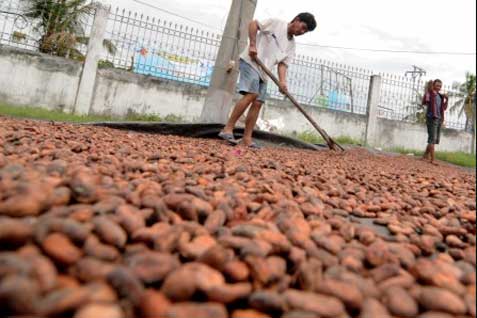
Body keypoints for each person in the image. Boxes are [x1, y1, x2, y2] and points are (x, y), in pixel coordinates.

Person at [218, 13, 317, 148]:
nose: (302, 31)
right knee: (252, 94)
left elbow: (283, 64)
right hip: (251, 61)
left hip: (264, 72)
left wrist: (282, 82)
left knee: (258, 103)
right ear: (296, 20)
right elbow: (254, 24)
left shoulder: (291, 45)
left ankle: (247, 138)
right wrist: (252, 45)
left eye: (305, 31)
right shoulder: (276, 23)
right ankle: (227, 129)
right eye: (303, 27)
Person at [422, 79, 448, 164]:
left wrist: (446, 100)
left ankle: (425, 156)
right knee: (432, 139)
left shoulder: (440, 96)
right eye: (437, 85)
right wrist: (429, 88)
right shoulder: (430, 94)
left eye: (440, 86)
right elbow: (425, 102)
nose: (439, 87)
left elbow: (444, 108)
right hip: (431, 118)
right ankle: (432, 159)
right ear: (433, 85)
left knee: (434, 139)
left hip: (439, 119)